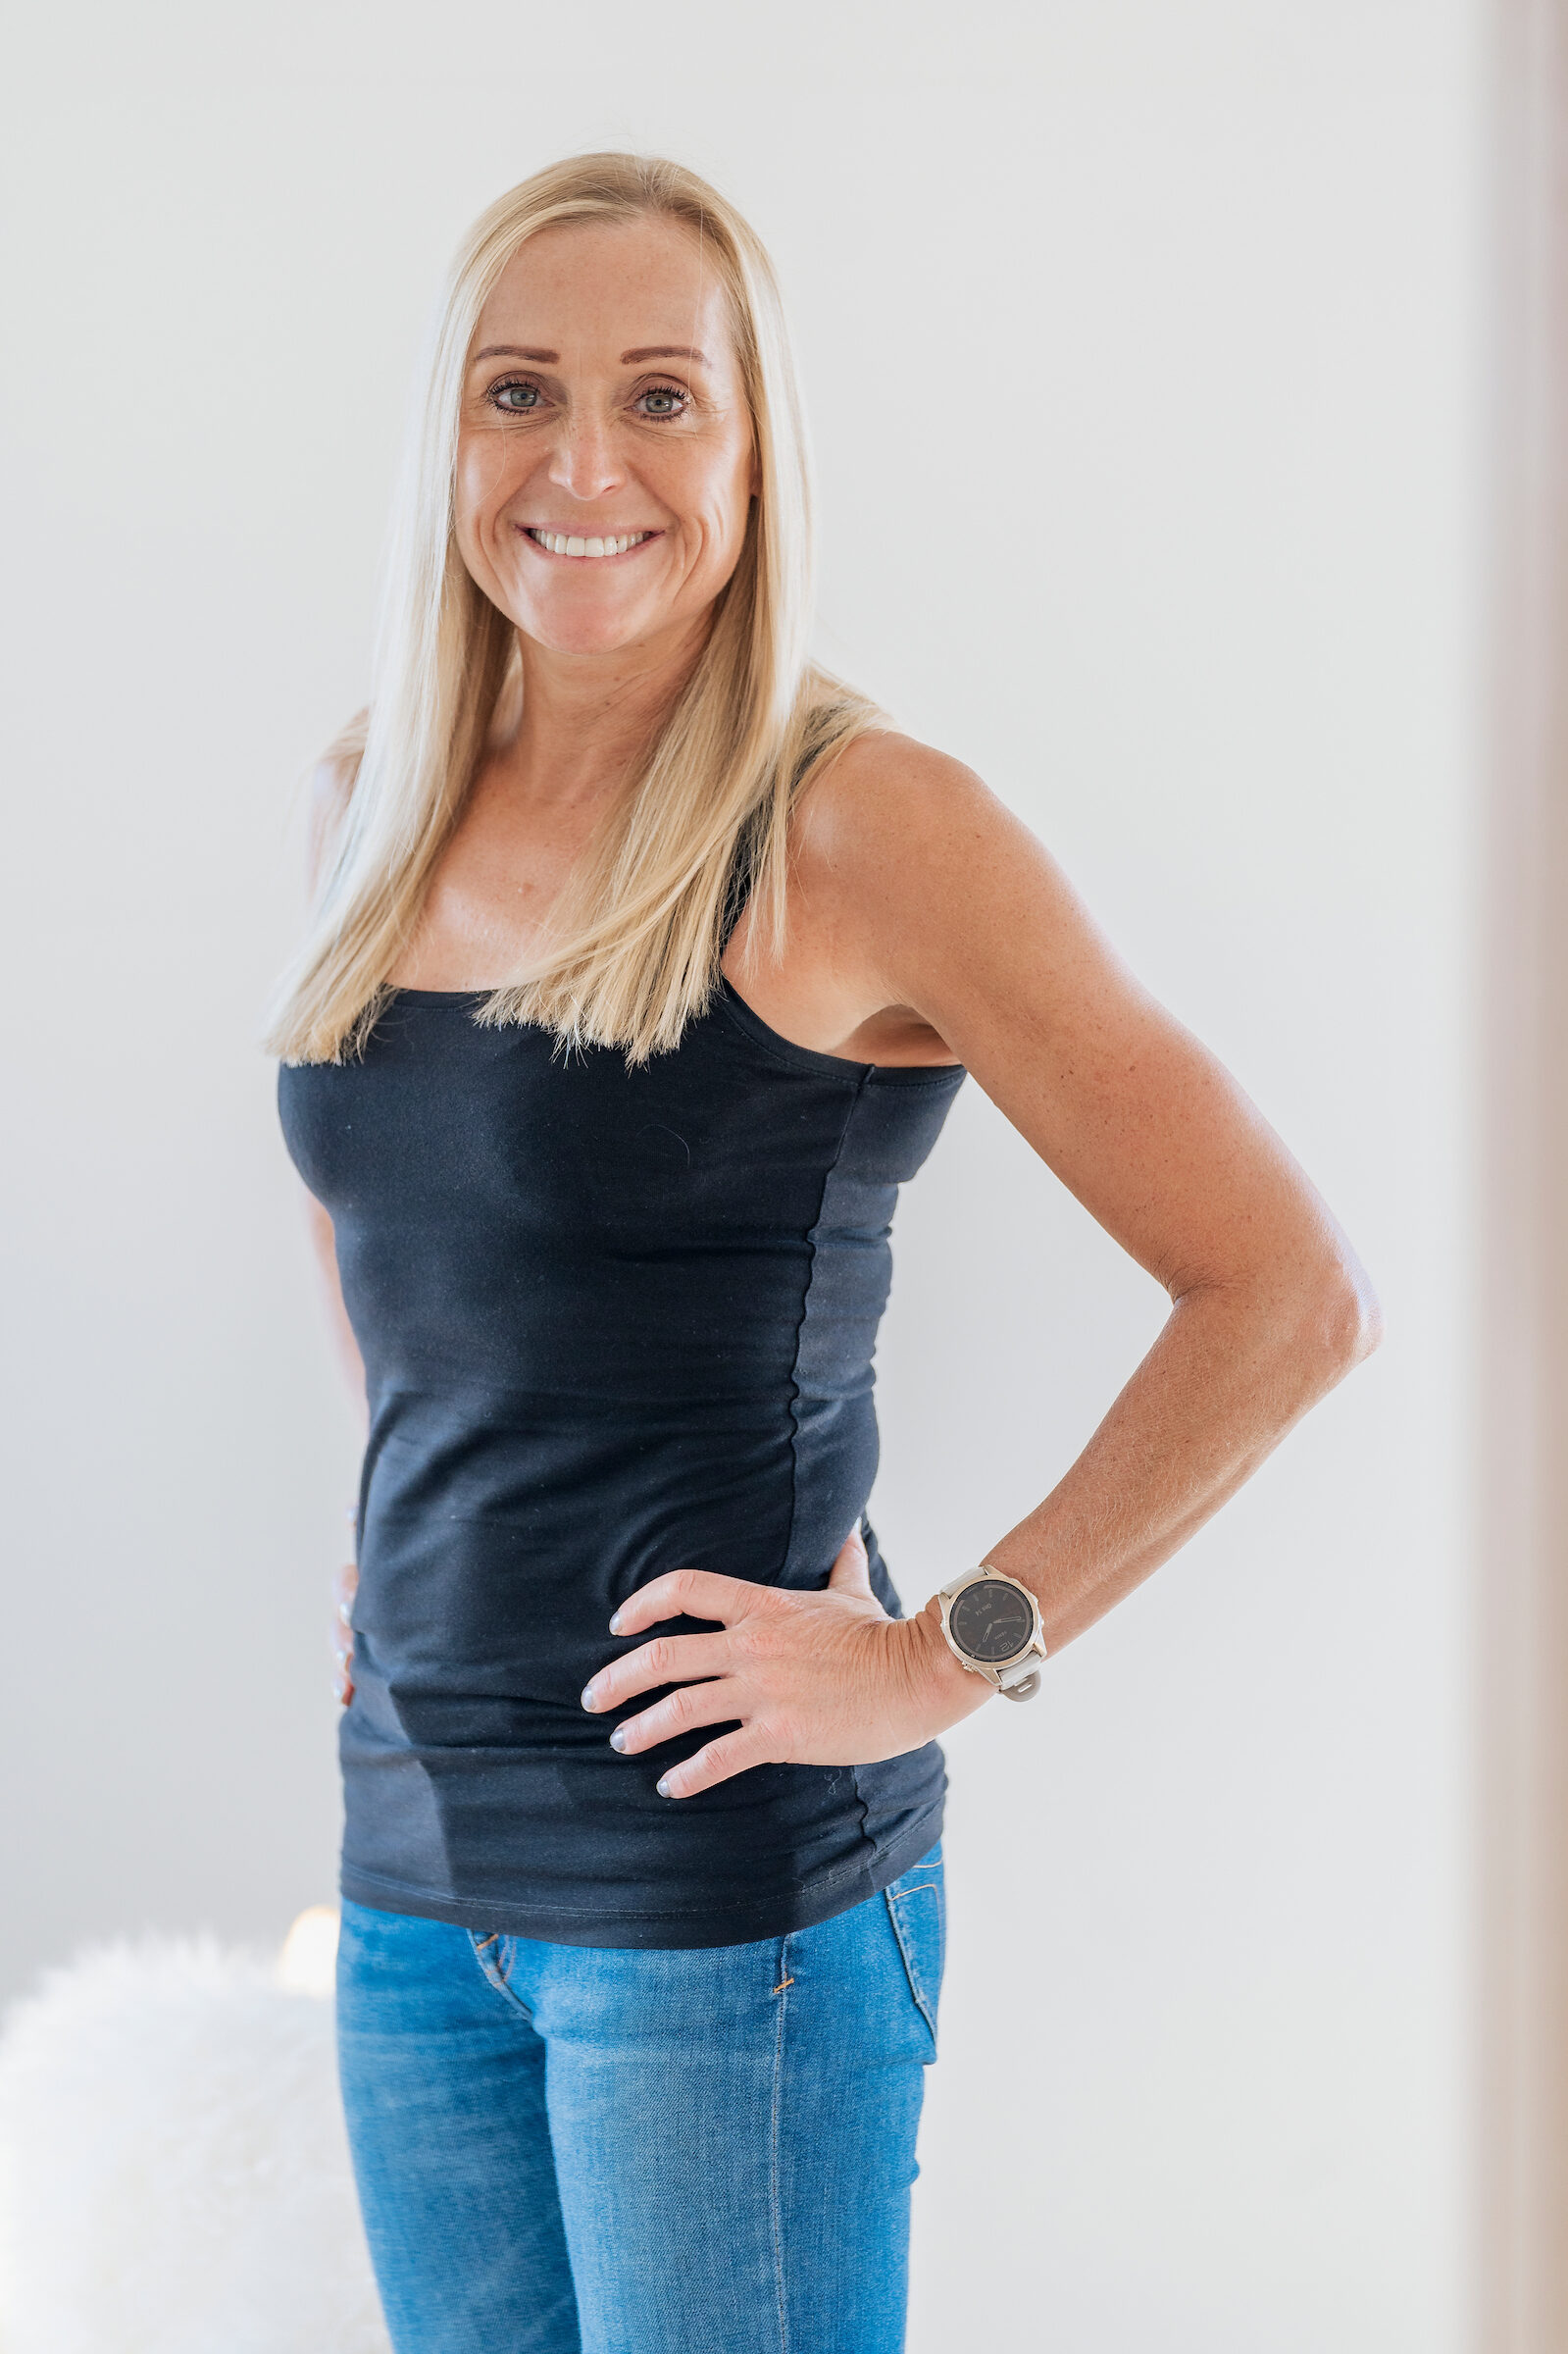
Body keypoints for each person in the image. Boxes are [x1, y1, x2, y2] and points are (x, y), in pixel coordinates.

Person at [273, 151, 1380, 2354]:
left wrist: (942, 1653)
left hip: (724, 1908)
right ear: (446, 439)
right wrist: (399, 1524)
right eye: (519, 392)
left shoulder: (862, 827)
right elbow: (379, 1204)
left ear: (755, 448)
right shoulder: (370, 796)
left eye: (661, 397)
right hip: (411, 1872)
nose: (585, 466)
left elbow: (1282, 1290)